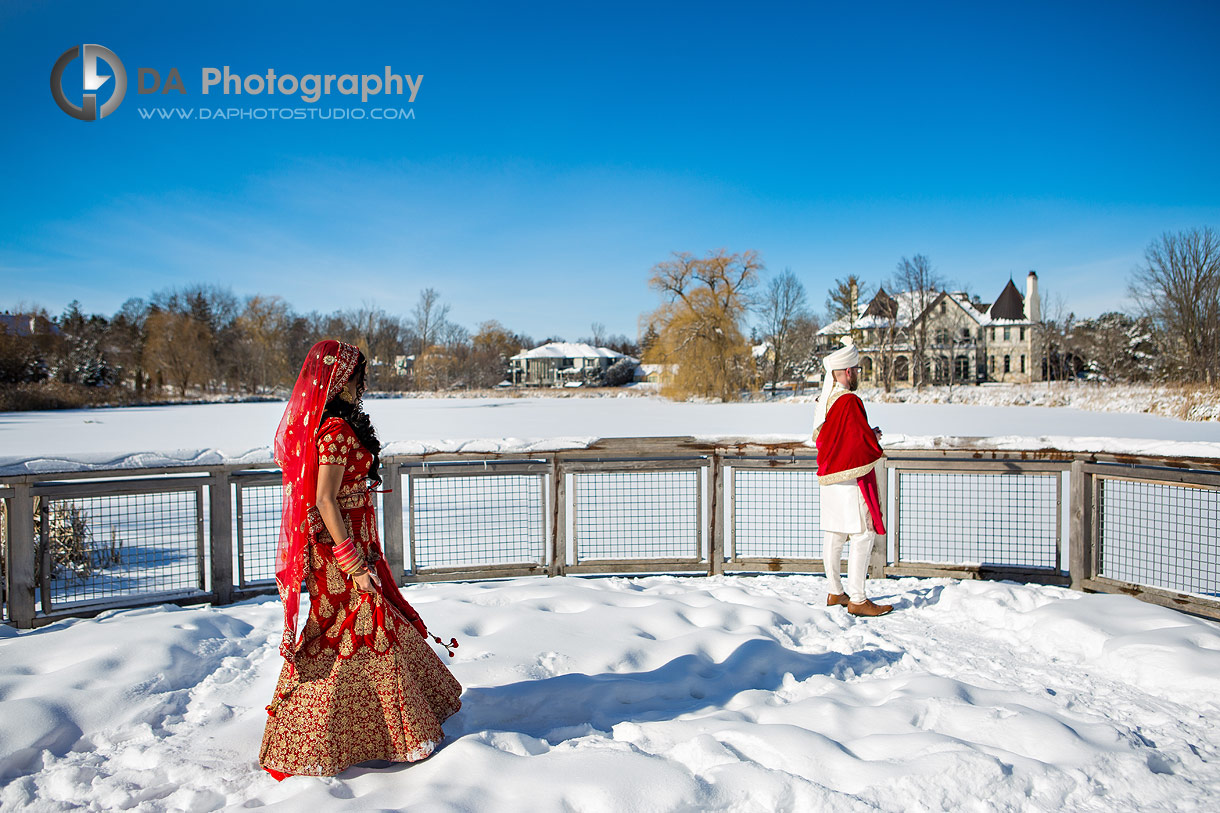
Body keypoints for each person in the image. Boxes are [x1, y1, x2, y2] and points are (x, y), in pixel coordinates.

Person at [260, 339, 462, 779]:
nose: (362, 383)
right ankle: (311, 742)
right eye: (357, 376)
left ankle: (383, 730)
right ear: (340, 379)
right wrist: (353, 563)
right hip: (339, 554)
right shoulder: (334, 432)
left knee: (368, 629)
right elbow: (325, 500)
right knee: (352, 634)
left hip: (354, 544)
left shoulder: (338, 424)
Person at [813, 337, 893, 617]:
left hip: (829, 478)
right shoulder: (849, 401)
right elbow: (856, 442)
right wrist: (873, 437)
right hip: (849, 480)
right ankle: (858, 599)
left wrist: (865, 435)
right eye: (856, 369)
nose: (858, 373)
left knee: (835, 533)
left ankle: (836, 592)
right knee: (863, 533)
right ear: (847, 372)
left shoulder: (824, 400)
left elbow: (827, 439)